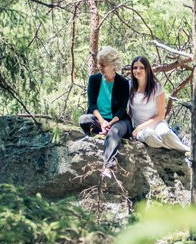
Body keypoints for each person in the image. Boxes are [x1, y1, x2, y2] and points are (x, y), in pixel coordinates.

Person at [79, 46, 132, 178]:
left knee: (114, 131)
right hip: (98, 120)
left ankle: (108, 166)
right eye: (99, 64)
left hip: (118, 120)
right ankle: (105, 130)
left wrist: (111, 123)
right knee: (83, 119)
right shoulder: (94, 80)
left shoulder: (123, 83)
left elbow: (121, 110)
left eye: (103, 65)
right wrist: (102, 122)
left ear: (113, 65)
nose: (100, 67)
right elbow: (92, 105)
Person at [129, 56, 189, 153]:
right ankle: (173, 151)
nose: (138, 70)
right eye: (135, 68)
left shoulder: (156, 87)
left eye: (141, 68)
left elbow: (161, 115)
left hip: (157, 123)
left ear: (147, 69)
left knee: (165, 133)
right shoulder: (129, 86)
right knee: (149, 135)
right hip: (141, 129)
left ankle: (187, 151)